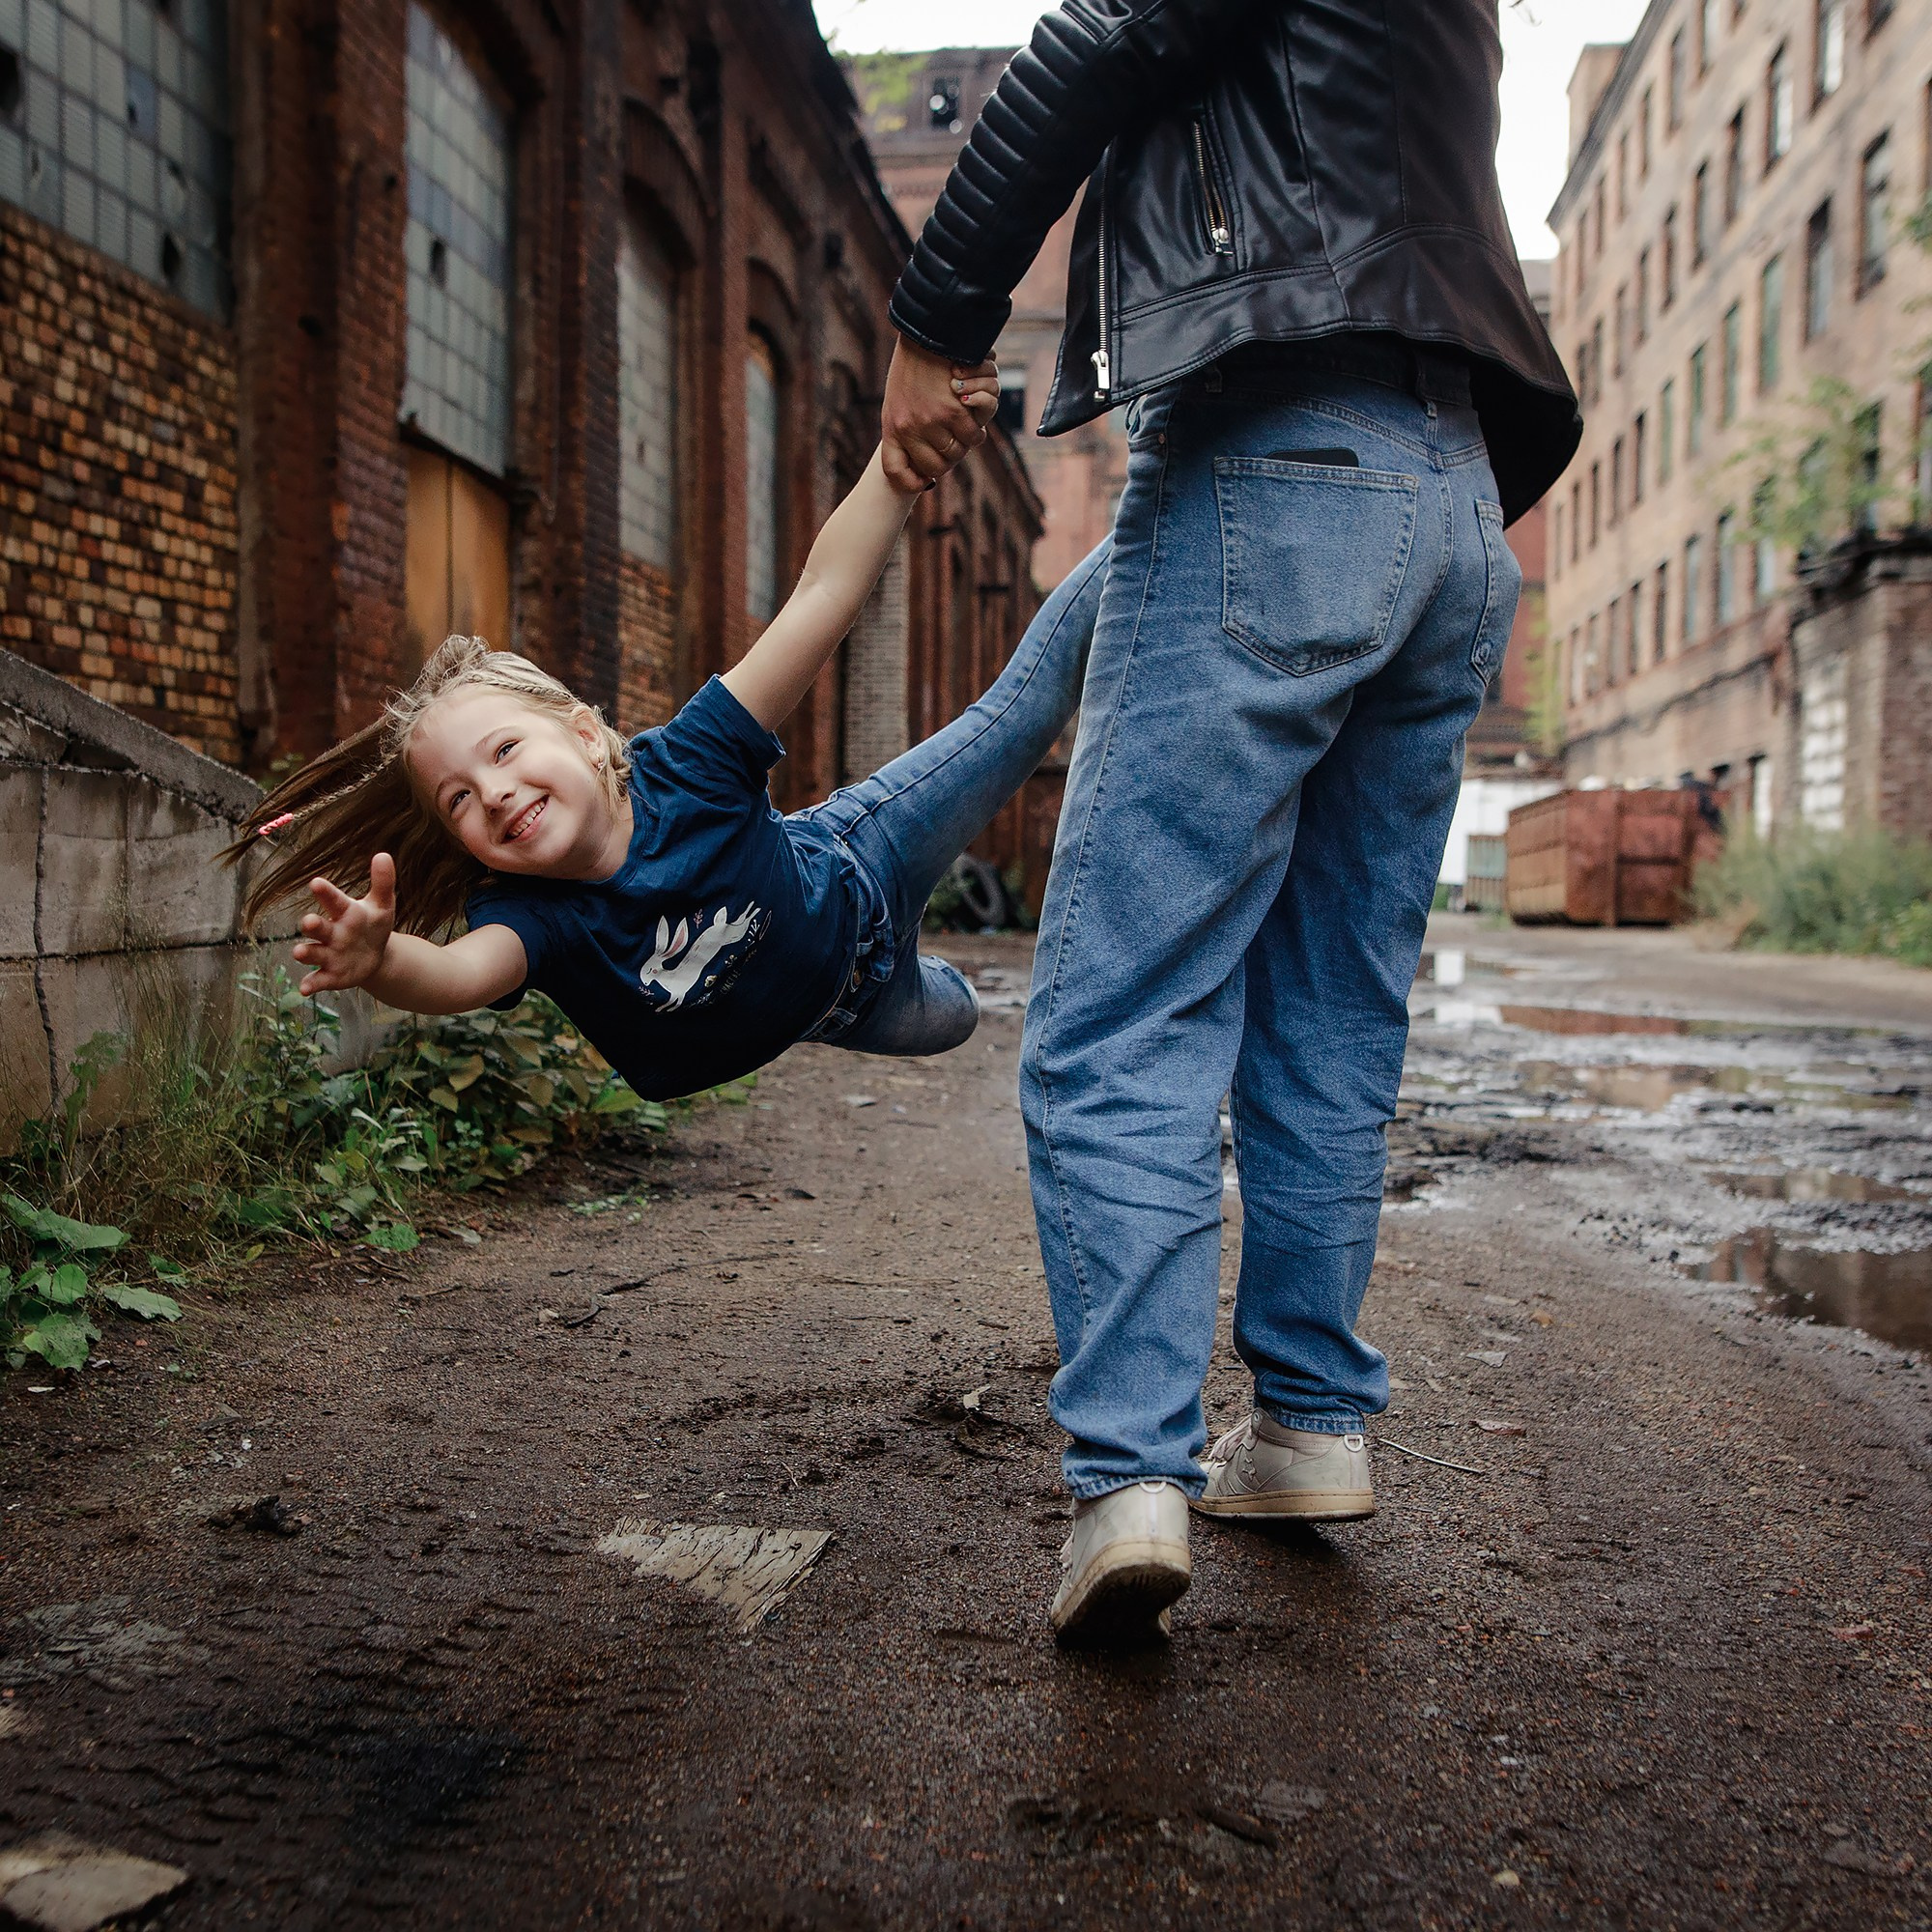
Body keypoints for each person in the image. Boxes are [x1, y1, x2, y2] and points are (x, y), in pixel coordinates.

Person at [879, 0, 1582, 1640]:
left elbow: (1098, 43)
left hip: (1274, 448)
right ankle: (1312, 1427)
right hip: (1456, 504)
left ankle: (1132, 1473)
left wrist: (937, 314)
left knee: (1127, 997)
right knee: (1335, 1002)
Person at [232, 382, 1111, 1102]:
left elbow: (817, 598)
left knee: (1019, 718)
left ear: (583, 734)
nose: (491, 792)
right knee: (956, 1019)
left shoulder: (693, 760)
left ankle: (1146, 525)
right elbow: (456, 977)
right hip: (850, 1006)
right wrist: (383, 961)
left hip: (859, 861)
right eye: (458, 797)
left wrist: (891, 472)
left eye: (502, 752)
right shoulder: (538, 918)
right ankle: (952, 979)